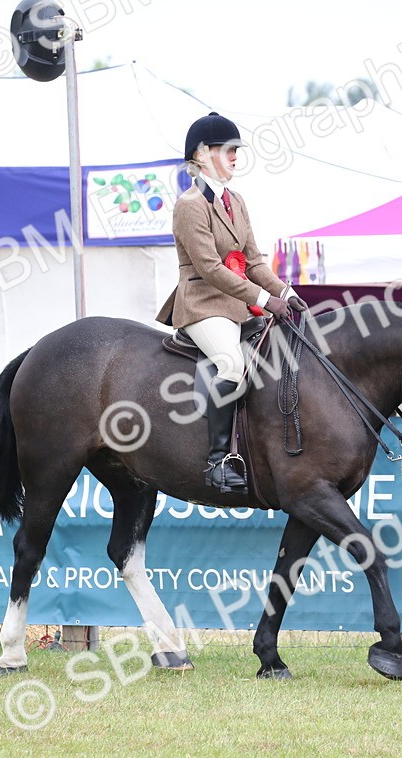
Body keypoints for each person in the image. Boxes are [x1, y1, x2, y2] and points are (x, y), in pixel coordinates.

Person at [155, 112, 307, 494]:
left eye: (237, 149)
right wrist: (262, 299)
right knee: (232, 363)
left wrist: (285, 294)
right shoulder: (190, 205)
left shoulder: (235, 200)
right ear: (203, 154)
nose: (236, 156)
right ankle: (218, 462)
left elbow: (252, 260)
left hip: (236, 304)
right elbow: (208, 268)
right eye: (229, 149)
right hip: (202, 304)